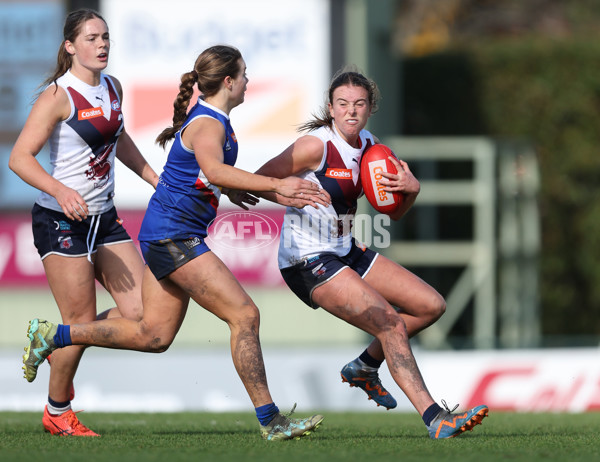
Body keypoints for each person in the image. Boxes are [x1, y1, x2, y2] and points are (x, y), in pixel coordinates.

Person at [22, 44, 326, 441]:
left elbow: (210, 173)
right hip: (173, 236)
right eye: (245, 73)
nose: (249, 80)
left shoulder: (215, 120)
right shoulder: (209, 124)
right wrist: (275, 183)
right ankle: (272, 420)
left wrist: (241, 188)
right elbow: (214, 167)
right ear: (230, 82)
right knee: (245, 315)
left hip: (167, 233)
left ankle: (55, 335)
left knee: (154, 335)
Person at [250, 68, 489, 439]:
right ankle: (435, 418)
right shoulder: (316, 146)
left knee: (431, 305)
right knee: (391, 323)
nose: (351, 111)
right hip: (308, 261)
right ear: (330, 108)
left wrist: (411, 189)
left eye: (359, 104)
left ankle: (363, 366)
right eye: (343, 104)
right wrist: (286, 191)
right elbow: (259, 181)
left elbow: (392, 212)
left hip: (346, 250)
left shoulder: (371, 146)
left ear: (370, 108)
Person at [9, 9, 159, 437]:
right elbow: (18, 157)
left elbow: (119, 138)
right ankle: (58, 412)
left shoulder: (113, 87)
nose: (102, 44)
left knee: (142, 313)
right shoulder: (59, 95)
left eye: (106, 37)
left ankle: (58, 340)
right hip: (60, 220)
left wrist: (152, 177)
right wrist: (60, 190)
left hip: (104, 219)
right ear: (70, 46)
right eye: (92, 38)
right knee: (82, 314)